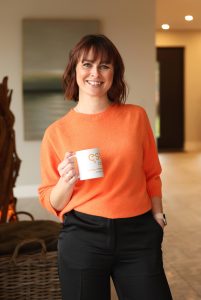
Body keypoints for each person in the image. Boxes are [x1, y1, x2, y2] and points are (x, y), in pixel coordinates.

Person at [38, 34, 173, 300]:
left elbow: (151, 173)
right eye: (87, 64)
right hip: (83, 236)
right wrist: (66, 182)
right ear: (74, 70)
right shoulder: (56, 132)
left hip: (138, 233)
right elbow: (49, 198)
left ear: (114, 73)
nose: (95, 73)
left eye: (104, 66)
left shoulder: (136, 116)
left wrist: (158, 217)